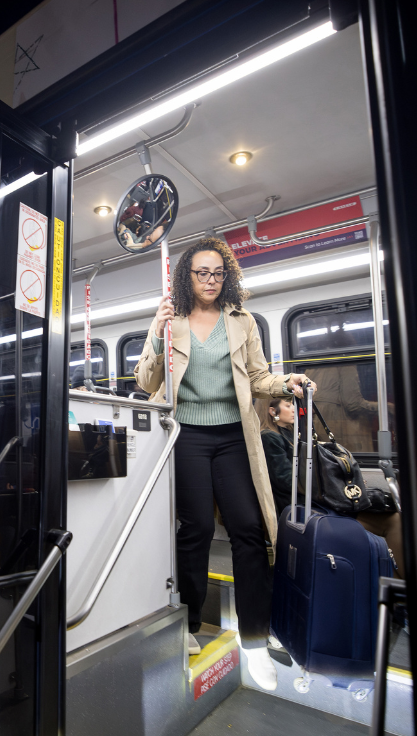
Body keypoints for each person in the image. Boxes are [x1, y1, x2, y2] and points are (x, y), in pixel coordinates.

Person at [134, 236, 313, 690]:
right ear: (187, 277)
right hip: (188, 436)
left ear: (226, 277)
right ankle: (189, 624)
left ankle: (254, 639)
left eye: (218, 273)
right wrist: (156, 331)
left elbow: (257, 377)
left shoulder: (242, 321)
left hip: (234, 435)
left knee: (248, 529)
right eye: (202, 273)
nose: (210, 281)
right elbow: (146, 382)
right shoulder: (171, 319)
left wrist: (285, 383)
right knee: (194, 529)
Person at [260, 396, 405, 576]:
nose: (293, 410)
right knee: (393, 521)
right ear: (272, 411)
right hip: (308, 509)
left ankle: (394, 582)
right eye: (288, 405)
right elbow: (286, 480)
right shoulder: (270, 438)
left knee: (391, 514)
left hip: (319, 502)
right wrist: (333, 484)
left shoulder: (291, 434)